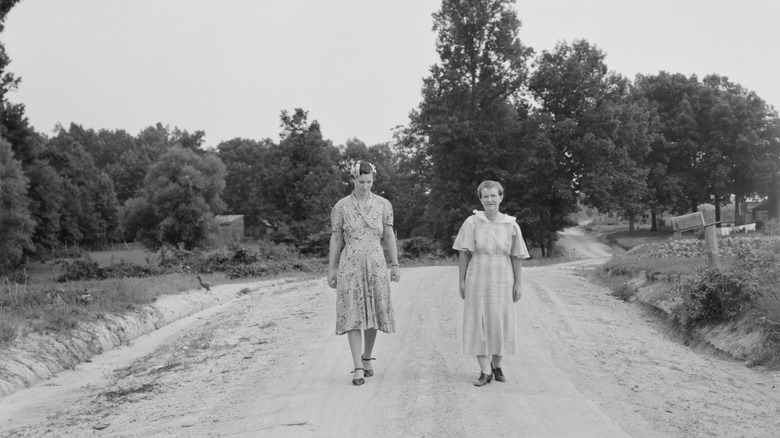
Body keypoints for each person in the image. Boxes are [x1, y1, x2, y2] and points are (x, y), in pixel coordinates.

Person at [328, 161, 401, 386]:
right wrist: (331, 268)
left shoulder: (383, 204)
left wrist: (395, 264)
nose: (365, 186)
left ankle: (367, 357)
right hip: (350, 265)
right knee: (352, 314)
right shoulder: (341, 206)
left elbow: (389, 235)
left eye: (369, 182)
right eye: (361, 182)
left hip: (376, 264)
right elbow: (337, 237)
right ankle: (357, 367)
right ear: (352, 179)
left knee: (373, 315)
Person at [452, 180, 530, 386]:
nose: (489, 200)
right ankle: (484, 371)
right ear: (480, 199)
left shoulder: (511, 225)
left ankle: (497, 364)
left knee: (500, 320)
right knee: (478, 321)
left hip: (503, 277)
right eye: (485, 196)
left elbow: (517, 256)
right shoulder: (472, 222)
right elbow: (463, 252)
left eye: (493, 195)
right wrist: (461, 280)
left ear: (501, 197)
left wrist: (518, 283)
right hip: (477, 276)